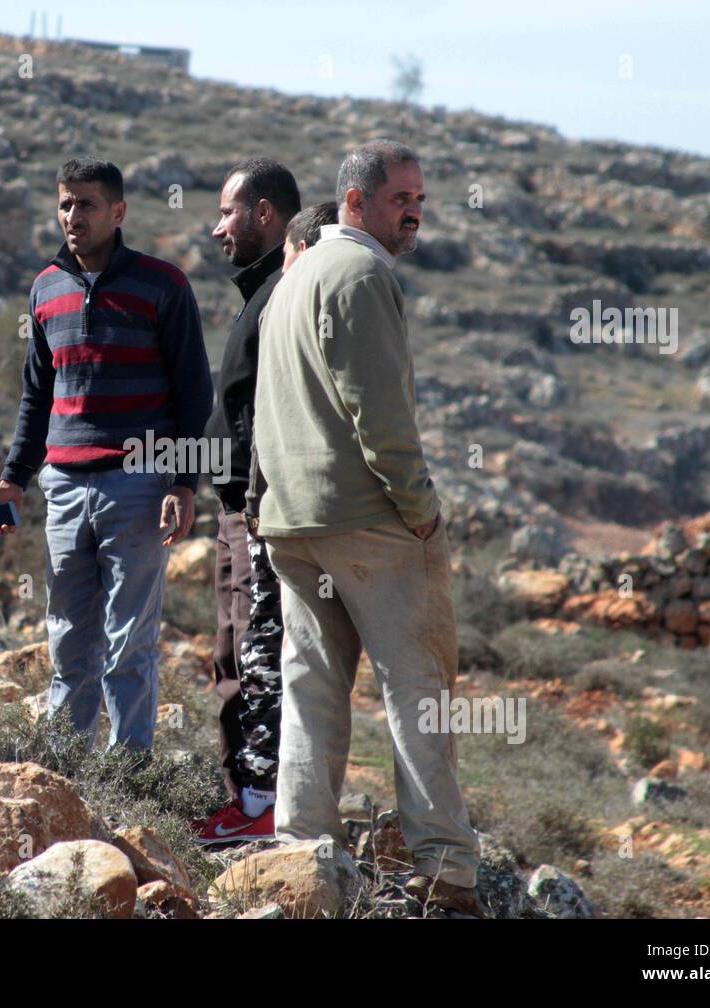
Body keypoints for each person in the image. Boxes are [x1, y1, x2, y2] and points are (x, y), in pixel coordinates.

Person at [253, 141, 486, 916]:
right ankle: (446, 872)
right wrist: (421, 511)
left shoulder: (293, 280)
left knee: (312, 688)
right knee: (420, 690)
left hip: (292, 521)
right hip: (369, 524)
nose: (414, 209)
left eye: (421, 196)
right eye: (399, 198)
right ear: (355, 201)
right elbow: (379, 416)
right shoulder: (362, 273)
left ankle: (299, 858)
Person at [0, 157, 213, 751]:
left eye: (87, 204)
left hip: (139, 485)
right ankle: (66, 774)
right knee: (69, 640)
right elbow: (36, 393)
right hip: (64, 487)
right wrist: (14, 479)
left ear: (118, 212)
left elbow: (193, 391)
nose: (73, 215)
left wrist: (182, 483)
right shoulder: (45, 287)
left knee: (131, 643)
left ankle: (128, 776)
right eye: (65, 203)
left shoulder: (163, 284)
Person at [193, 158, 298, 844]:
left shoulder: (284, 294)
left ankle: (259, 805)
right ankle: (247, 799)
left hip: (260, 512)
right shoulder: (260, 294)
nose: (217, 226)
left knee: (259, 653)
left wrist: (254, 506)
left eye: (228, 212)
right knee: (235, 654)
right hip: (239, 512)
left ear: (265, 214)